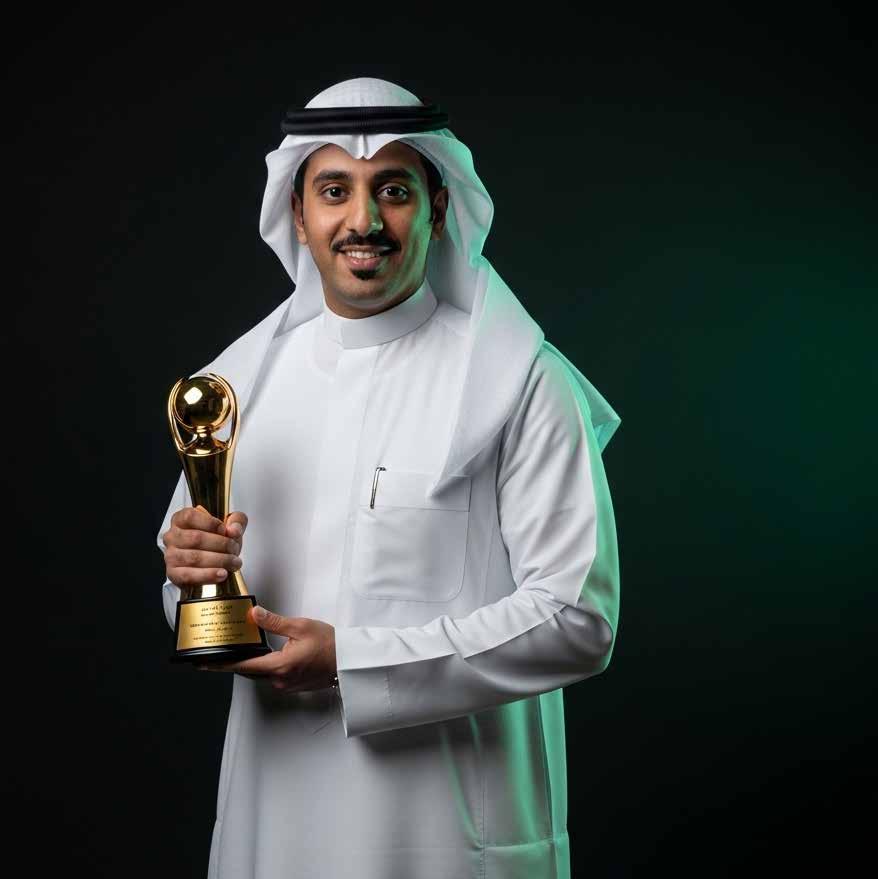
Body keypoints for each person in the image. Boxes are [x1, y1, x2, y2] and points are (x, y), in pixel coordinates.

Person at [156, 76, 622, 879]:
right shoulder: (238, 384)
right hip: (274, 831)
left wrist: (353, 661)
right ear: (298, 212)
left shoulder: (519, 380)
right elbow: (197, 605)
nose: (364, 222)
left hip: (451, 839)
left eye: (394, 191)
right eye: (335, 190)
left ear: (439, 208)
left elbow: (578, 618)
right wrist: (187, 576)